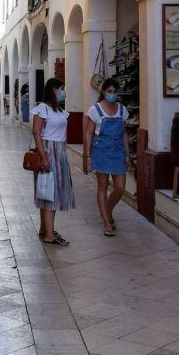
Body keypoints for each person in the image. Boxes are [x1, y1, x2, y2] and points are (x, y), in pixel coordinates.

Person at [83, 78, 131, 237]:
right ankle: (106, 221)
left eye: (114, 92)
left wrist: (127, 154)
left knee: (120, 188)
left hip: (117, 151)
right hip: (101, 150)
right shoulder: (95, 110)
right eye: (109, 92)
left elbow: (124, 133)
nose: (112, 95)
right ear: (103, 92)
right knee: (102, 186)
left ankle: (107, 211)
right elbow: (89, 133)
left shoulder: (122, 110)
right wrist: (87, 155)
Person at [32, 78, 74, 245]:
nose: (63, 92)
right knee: (50, 193)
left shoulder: (60, 110)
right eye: (61, 88)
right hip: (49, 152)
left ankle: (45, 229)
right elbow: (36, 132)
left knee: (48, 192)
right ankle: (49, 234)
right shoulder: (43, 109)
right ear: (53, 90)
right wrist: (44, 156)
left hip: (60, 152)